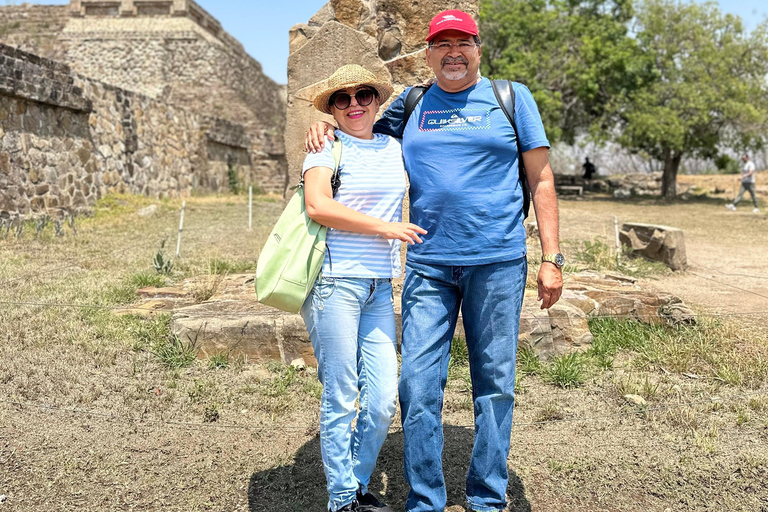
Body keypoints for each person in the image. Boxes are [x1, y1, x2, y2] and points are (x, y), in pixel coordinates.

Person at [306, 10, 563, 512]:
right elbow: (360, 129)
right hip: (428, 264)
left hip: (498, 261)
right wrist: (323, 127)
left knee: (495, 384)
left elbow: (543, 181)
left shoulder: (512, 99)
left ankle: (487, 497)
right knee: (416, 385)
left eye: (462, 42)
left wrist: (551, 257)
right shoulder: (413, 103)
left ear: (478, 48)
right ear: (427, 54)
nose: (453, 52)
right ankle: (426, 498)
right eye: (441, 44)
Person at [300, 64, 427, 512]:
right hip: (335, 283)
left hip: (378, 286)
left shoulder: (395, 146)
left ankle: (353, 486)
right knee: (341, 394)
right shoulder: (326, 148)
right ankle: (342, 502)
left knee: (382, 401)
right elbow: (318, 205)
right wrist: (386, 228)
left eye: (364, 95)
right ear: (331, 109)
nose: (354, 104)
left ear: (377, 100)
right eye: (342, 98)